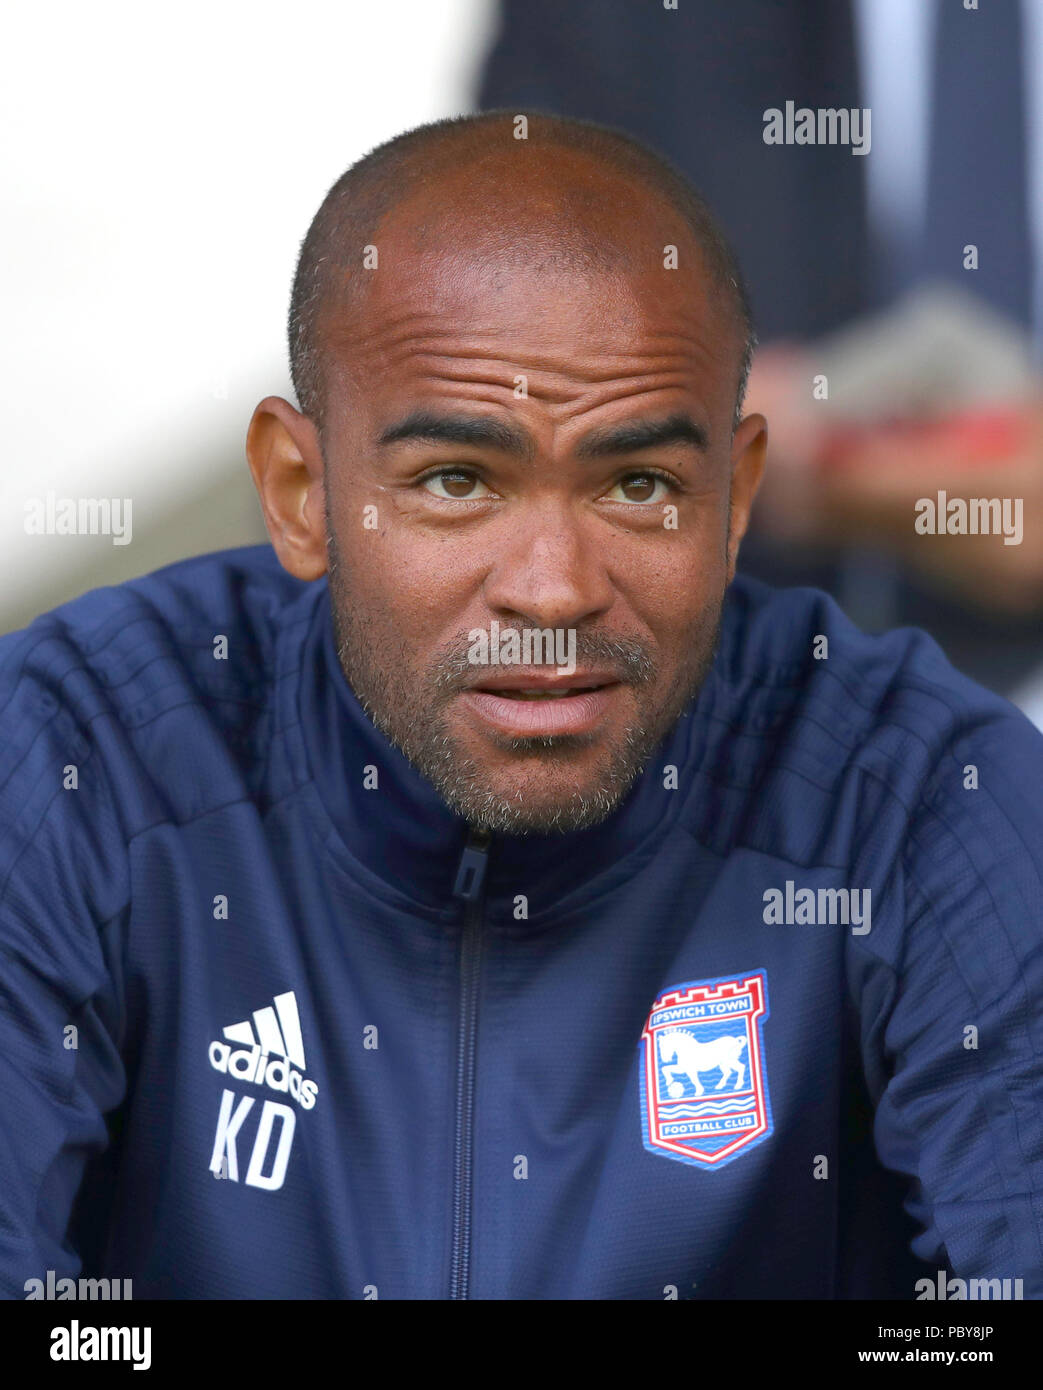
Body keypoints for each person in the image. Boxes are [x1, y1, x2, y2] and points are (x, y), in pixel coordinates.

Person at [2, 110, 1042, 1301]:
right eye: (456, 481)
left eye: (639, 484)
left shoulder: (919, 796)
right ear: (299, 492)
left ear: (735, 495)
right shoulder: (73, 755)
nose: (552, 586)